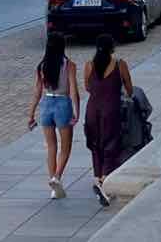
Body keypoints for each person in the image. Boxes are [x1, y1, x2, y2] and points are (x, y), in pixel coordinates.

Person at [27, 31, 81, 199]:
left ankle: (53, 185)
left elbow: (37, 91)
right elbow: (73, 90)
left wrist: (31, 114)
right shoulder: (69, 65)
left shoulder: (42, 66)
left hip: (46, 104)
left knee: (51, 146)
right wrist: (77, 111)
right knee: (66, 147)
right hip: (63, 104)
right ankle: (56, 177)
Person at [84, 33, 133, 207]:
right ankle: (104, 180)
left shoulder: (89, 65)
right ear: (112, 48)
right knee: (111, 144)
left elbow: (88, 87)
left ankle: (98, 177)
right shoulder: (120, 64)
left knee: (95, 144)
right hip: (111, 110)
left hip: (92, 110)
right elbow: (129, 88)